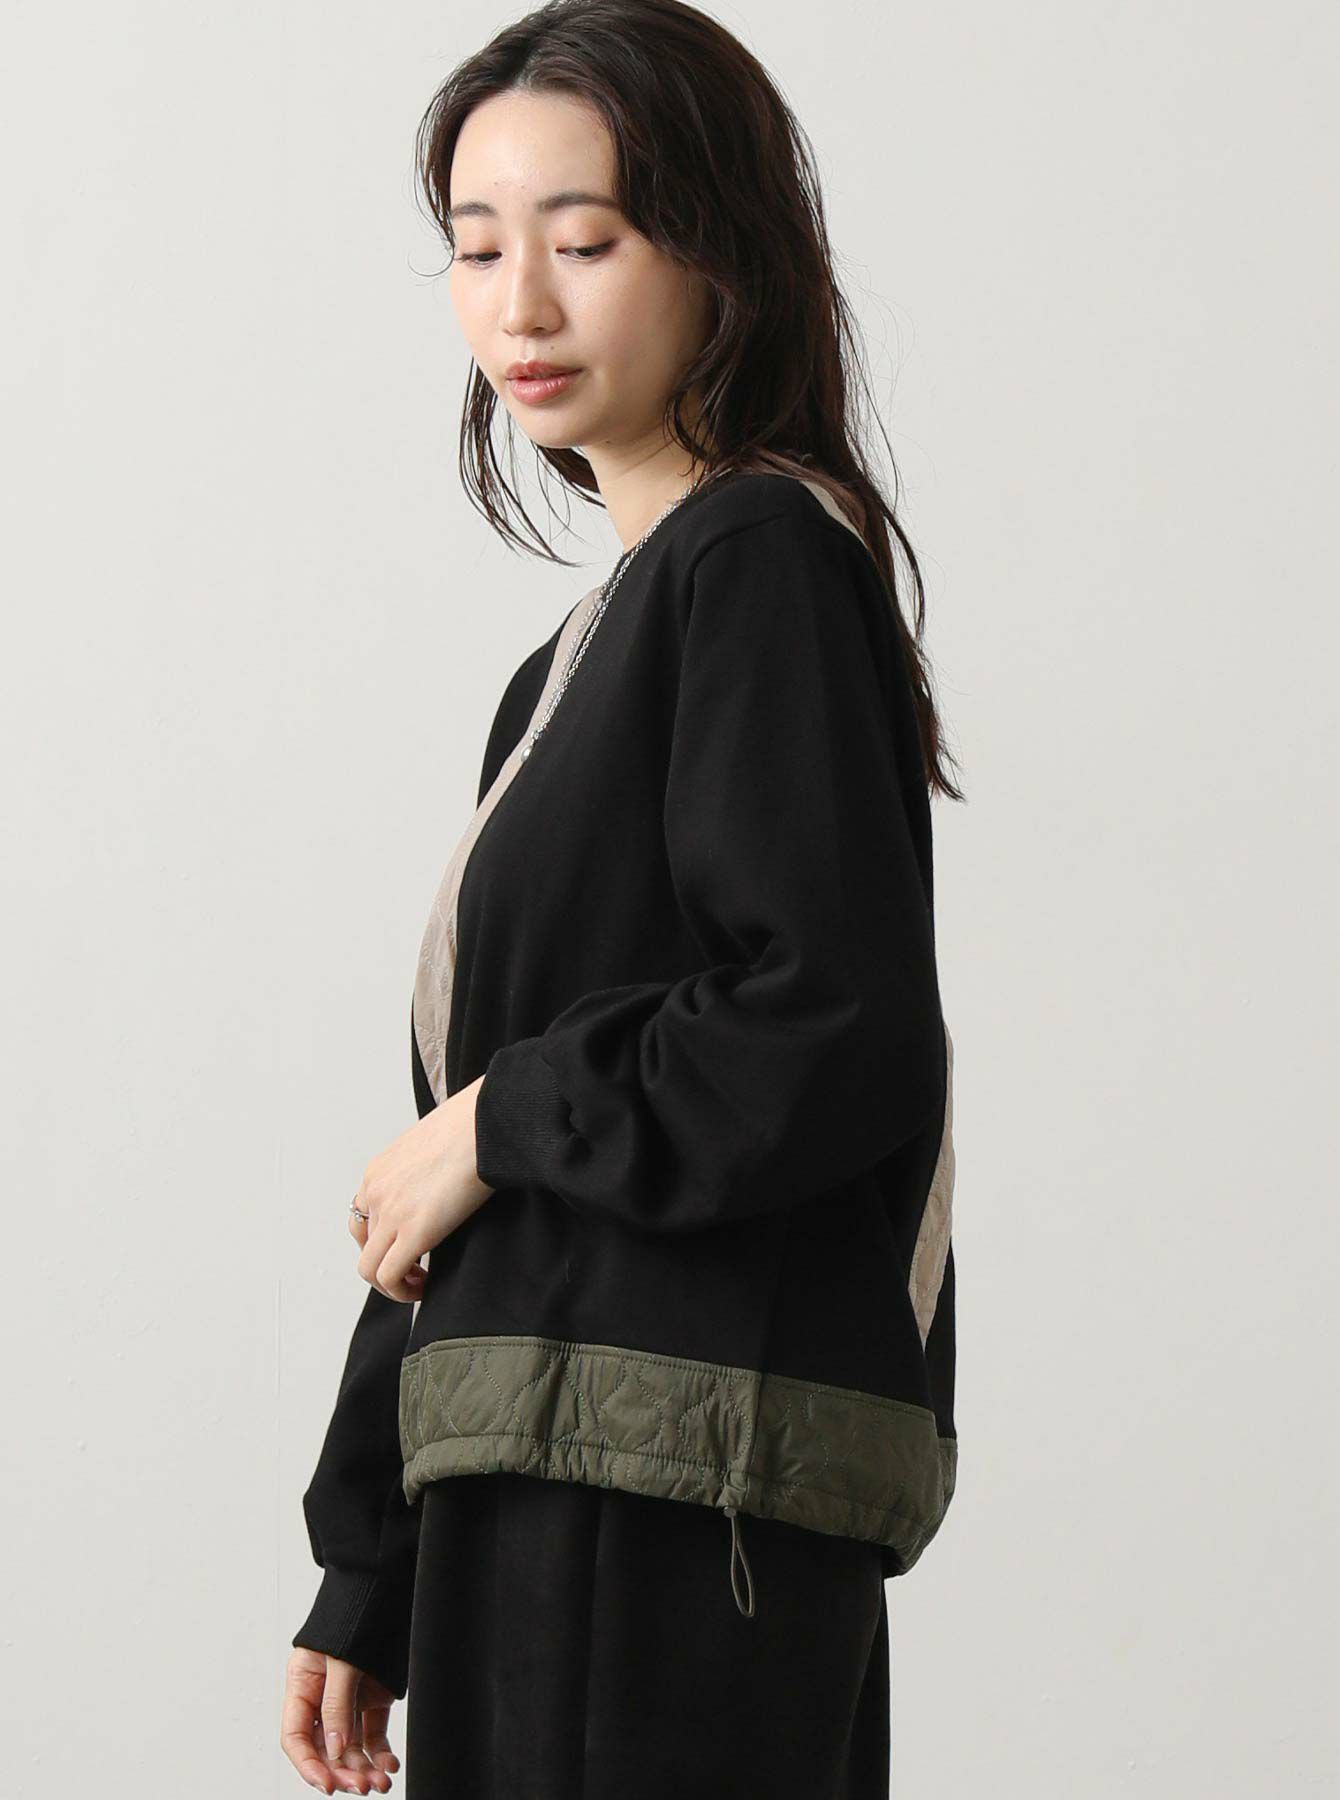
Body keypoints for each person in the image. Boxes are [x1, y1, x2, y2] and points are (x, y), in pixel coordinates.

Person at [279, 3, 965, 1794]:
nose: (521, 304)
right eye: (477, 247)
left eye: (584, 242)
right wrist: (370, 1560)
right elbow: (461, 1168)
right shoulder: (582, 658)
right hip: (548, 1472)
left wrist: (501, 1119)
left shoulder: (762, 557)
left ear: (723, 256)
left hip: (667, 1498)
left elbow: (827, 1026)